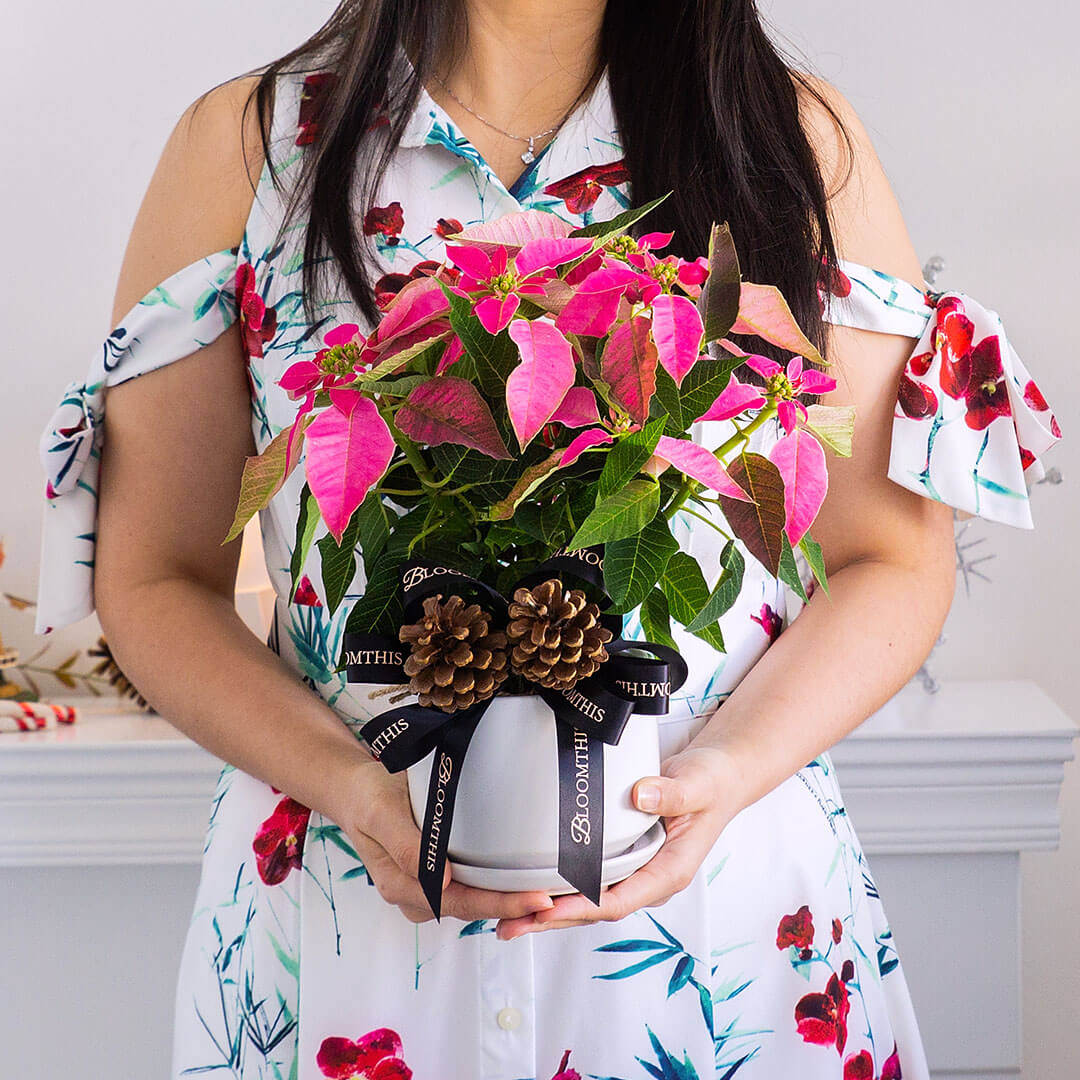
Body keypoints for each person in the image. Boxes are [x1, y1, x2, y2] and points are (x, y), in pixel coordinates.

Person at [34, 1, 1061, 1078]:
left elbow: (889, 560)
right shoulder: (251, 148)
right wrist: (346, 784)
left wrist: (724, 770)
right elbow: (156, 575)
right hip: (342, 924)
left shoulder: (788, 143)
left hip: (720, 935)